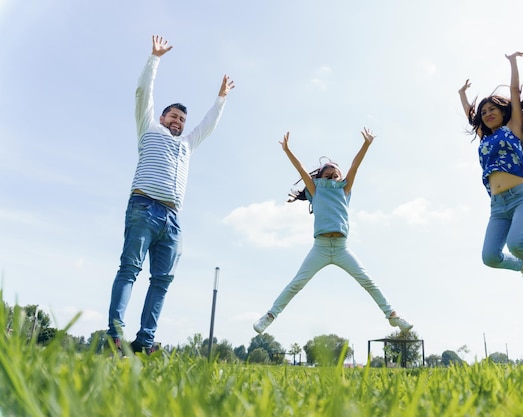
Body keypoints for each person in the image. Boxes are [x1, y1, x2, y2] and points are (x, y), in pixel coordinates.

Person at [106, 35, 235, 353]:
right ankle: (116, 334)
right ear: (162, 118)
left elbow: (208, 124)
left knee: (162, 281)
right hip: (144, 207)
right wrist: (155, 58)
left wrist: (221, 98)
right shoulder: (148, 128)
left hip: (173, 219)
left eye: (181, 119)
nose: (178, 122)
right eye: (173, 116)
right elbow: (143, 93)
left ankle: (145, 341)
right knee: (130, 269)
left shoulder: (187, 145)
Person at [253, 128, 413, 334]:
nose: (331, 175)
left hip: (341, 248)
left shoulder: (345, 189)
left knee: (368, 281)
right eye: (327, 173)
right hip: (319, 248)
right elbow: (301, 170)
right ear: (321, 176)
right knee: (296, 283)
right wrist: (287, 150)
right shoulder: (316, 190)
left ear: (340, 176)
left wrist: (366, 144)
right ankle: (270, 316)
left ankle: (392, 316)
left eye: (335, 173)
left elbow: (355, 166)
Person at [458, 52, 523, 313]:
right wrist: (462, 95)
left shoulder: (512, 129)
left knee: (517, 243)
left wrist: (513, 62)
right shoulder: (484, 138)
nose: (487, 113)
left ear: (503, 111)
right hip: (498, 206)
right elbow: (470, 115)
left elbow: (514, 91)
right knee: (490, 257)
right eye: (483, 112)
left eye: (492, 109)